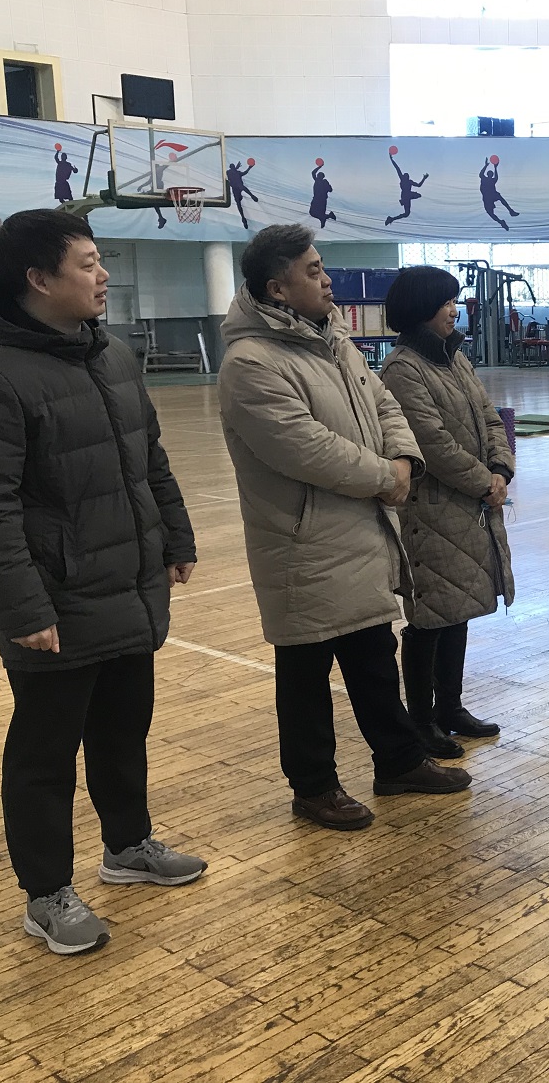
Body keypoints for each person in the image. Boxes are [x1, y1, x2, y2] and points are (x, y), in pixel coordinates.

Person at [0, 209, 205, 957]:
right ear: (38, 278)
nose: (103, 275)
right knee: (44, 755)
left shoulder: (112, 355)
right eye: (87, 264)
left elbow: (150, 457)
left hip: (128, 582)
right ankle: (46, 893)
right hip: (54, 600)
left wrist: (176, 537)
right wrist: (21, 608)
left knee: (123, 730)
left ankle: (128, 846)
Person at [218, 224, 470, 833]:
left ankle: (399, 761)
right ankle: (314, 787)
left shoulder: (335, 341)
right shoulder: (250, 363)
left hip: (360, 529)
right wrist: (386, 477)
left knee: (374, 656)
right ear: (277, 288)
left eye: (323, 266)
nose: (328, 280)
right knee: (305, 672)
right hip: (302, 541)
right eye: (313, 271)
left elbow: (385, 405)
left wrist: (404, 458)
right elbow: (305, 448)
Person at [379, 267, 514, 758]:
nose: (455, 311)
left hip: (469, 505)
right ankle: (422, 720)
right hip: (431, 510)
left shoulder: (455, 357)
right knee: (430, 617)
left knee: (458, 609)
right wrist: (484, 482)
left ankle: (450, 707)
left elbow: (489, 417)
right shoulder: (403, 369)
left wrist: (501, 468)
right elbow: (432, 444)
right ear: (421, 309)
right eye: (446, 303)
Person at [385, 149, 428, 226]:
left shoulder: (408, 181)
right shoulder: (404, 179)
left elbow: (419, 185)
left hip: (407, 195)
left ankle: (392, 218)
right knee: (407, 213)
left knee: (418, 197)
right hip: (406, 196)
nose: (406, 176)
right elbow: (397, 168)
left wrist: (424, 178)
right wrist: (391, 159)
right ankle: (391, 218)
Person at [479, 158, 518, 230]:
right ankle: (502, 221)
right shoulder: (485, 179)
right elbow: (482, 174)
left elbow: (494, 176)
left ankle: (510, 211)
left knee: (500, 200)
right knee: (491, 213)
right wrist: (490, 166)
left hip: (491, 195)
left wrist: (493, 167)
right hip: (487, 197)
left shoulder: (489, 179)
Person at [227, 159, 259, 229]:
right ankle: (243, 217)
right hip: (236, 188)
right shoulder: (232, 172)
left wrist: (249, 167)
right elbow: (244, 172)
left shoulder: (235, 172)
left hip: (237, 188)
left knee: (242, 189)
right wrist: (249, 167)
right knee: (242, 192)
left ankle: (252, 196)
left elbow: (244, 172)